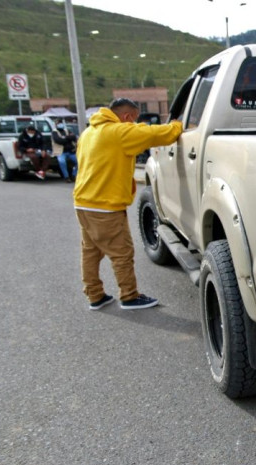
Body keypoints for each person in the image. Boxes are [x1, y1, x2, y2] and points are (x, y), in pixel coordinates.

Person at [73, 98, 183, 310]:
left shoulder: (88, 133)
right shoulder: (120, 132)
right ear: (126, 117)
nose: (134, 124)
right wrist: (178, 124)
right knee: (122, 253)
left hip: (83, 203)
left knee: (90, 252)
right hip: (105, 206)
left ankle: (95, 296)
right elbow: (160, 134)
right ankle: (129, 296)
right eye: (133, 120)